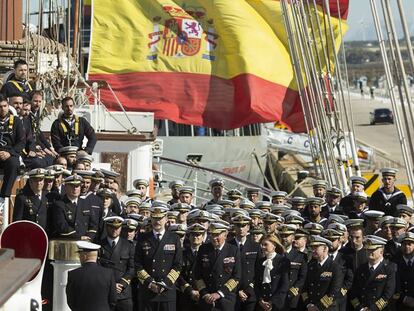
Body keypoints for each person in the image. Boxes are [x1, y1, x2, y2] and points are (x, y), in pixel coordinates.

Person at [134, 205, 183, 311]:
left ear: (166, 219)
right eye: (155, 218)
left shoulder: (174, 238)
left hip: (167, 292)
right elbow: (137, 264)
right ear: (151, 218)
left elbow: (178, 265)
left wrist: (165, 284)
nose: (157, 221)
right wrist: (150, 283)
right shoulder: (143, 238)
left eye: (160, 218)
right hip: (147, 292)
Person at [193, 222, 241, 311]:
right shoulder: (203, 249)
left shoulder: (233, 250)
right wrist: (205, 293)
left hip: (225, 299)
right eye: (212, 235)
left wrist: (220, 293)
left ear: (225, 235)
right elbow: (197, 275)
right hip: (207, 299)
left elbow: (236, 277)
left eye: (217, 235)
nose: (214, 238)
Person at [349, 235, 397, 311]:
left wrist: (373, 309)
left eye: (372, 250)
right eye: (367, 249)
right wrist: (360, 308)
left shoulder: (390, 268)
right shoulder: (361, 269)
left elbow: (388, 294)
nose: (369, 252)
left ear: (381, 251)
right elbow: (353, 292)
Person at [66, 241, 117, 311]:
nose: (79, 257)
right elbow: (113, 300)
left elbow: (70, 300)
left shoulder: (73, 274)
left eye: (80, 255)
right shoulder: (108, 273)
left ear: (84, 256)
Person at [99, 216, 135, 311]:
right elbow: (97, 268)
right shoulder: (99, 245)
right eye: (112, 227)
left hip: (123, 293)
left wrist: (122, 284)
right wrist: (111, 285)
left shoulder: (129, 246)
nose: (115, 230)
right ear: (107, 227)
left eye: (117, 227)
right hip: (105, 292)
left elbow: (131, 269)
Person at [302, 235, 344, 311]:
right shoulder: (310, 266)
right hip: (311, 307)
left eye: (316, 247)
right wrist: (308, 304)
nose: (313, 250)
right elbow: (304, 288)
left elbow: (334, 291)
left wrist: (318, 307)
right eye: (312, 247)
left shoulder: (335, 267)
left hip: (327, 308)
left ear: (325, 249)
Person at [228, 214, 260, 311]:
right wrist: (237, 290)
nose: (241, 228)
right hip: (231, 292)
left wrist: (248, 291)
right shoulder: (228, 245)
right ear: (234, 227)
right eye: (238, 225)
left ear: (248, 227)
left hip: (250, 293)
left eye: (243, 226)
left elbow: (259, 271)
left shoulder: (256, 246)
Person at [51, 174, 98, 240]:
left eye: (77, 186)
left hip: (85, 242)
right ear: (66, 187)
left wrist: (89, 236)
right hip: (68, 241)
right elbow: (61, 226)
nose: (75, 188)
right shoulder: (59, 204)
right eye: (72, 186)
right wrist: (79, 237)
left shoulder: (86, 203)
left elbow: (93, 224)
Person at [254, 234, 290, 311]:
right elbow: (256, 284)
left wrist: (271, 302)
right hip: (261, 305)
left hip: (276, 305)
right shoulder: (260, 261)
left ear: (274, 245)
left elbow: (284, 285)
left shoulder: (283, 261)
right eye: (262, 245)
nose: (263, 247)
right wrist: (261, 300)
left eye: (266, 244)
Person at [0, 94, 25, 200]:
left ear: (8, 106)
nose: (2, 109)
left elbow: (21, 142)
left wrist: (10, 153)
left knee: (14, 164)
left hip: (10, 153)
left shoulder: (16, 121)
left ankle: (4, 195)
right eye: (0, 107)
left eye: (4, 106)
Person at [177, 223, 206, 311]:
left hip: (204, 294)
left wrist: (202, 291)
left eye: (198, 235)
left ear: (203, 236)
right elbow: (178, 274)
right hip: (186, 294)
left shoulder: (208, 253)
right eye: (193, 235)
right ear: (188, 236)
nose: (195, 237)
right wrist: (190, 290)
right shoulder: (182, 254)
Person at [279, 224, 308, 311]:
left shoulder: (300, 256)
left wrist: (292, 292)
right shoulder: (276, 254)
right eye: (282, 235)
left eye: (287, 236)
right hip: (277, 296)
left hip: (292, 297)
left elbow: (302, 278)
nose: (284, 238)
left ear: (292, 238)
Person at [394, 232, 414, 311]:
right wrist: (404, 298)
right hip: (400, 304)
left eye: (409, 244)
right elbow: (392, 286)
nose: (407, 247)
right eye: (404, 244)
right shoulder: (394, 262)